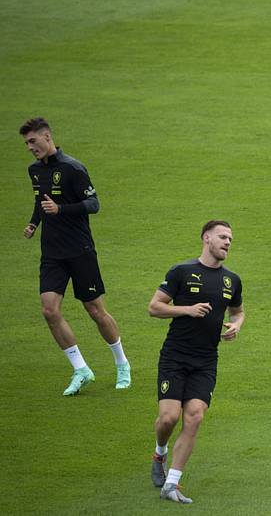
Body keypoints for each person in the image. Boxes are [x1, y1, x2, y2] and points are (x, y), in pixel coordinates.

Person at [20, 117, 130, 395]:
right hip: (52, 253)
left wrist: (62, 210)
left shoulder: (73, 168)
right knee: (49, 310)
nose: (30, 147)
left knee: (94, 310)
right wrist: (34, 222)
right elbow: (40, 201)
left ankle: (122, 363)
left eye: (33, 141)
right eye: (26, 143)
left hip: (79, 250)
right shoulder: (34, 171)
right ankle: (81, 369)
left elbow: (94, 204)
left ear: (47, 137)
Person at [148, 220, 244, 503]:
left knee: (195, 417)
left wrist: (237, 325)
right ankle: (159, 454)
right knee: (168, 418)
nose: (227, 242)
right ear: (206, 238)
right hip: (175, 356)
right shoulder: (182, 271)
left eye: (230, 239)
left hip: (206, 360)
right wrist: (187, 310)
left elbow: (238, 311)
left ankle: (172, 484)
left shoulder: (232, 280)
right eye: (222, 237)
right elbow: (154, 307)